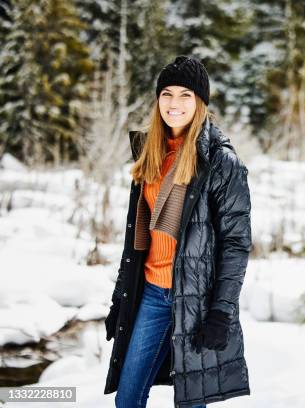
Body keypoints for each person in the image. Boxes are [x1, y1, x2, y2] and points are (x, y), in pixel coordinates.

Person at [102, 55, 252, 408]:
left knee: (190, 403)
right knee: (127, 399)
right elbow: (137, 241)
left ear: (200, 102)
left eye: (185, 95)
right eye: (167, 94)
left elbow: (236, 243)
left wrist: (221, 312)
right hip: (153, 294)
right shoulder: (150, 156)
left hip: (197, 301)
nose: (174, 103)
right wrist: (119, 300)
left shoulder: (220, 161)